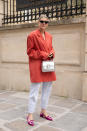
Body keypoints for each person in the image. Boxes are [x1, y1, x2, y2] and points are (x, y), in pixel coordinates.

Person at [27, 14, 56, 126]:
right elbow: (30, 51)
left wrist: (52, 53)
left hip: (47, 64)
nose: (44, 23)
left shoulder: (49, 36)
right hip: (36, 65)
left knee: (47, 89)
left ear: (48, 24)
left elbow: (51, 48)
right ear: (38, 22)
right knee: (34, 90)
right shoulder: (32, 35)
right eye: (42, 21)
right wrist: (44, 54)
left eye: (46, 22)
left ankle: (43, 111)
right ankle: (30, 114)